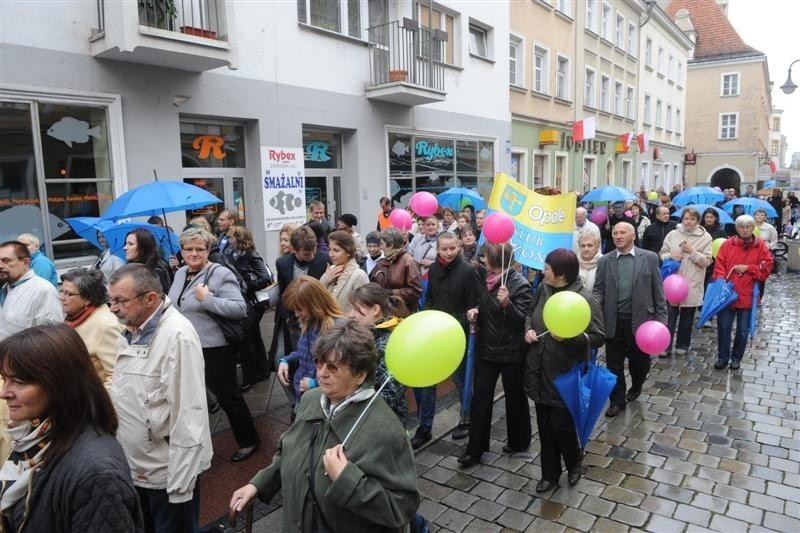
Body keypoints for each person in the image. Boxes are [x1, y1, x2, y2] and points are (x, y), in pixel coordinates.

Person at [229, 321, 419, 532]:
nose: (321, 373)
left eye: (333, 367)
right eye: (319, 363)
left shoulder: (386, 429)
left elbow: (400, 508)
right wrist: (257, 485)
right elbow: (288, 451)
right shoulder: (311, 399)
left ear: (360, 375)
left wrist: (347, 479)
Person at [0, 324, 143, 532]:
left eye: (19, 382)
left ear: (59, 384)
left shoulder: (97, 475)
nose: (4, 393)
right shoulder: (38, 442)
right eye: (5, 379)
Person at [108, 264, 212, 531]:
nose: (112, 308)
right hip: (139, 467)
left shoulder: (177, 336)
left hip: (167, 474)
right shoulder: (132, 327)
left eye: (120, 301)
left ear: (150, 298)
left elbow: (189, 414)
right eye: (111, 300)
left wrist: (180, 485)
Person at [168, 228, 260, 462]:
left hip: (215, 348)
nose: (194, 253)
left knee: (229, 397)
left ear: (208, 250)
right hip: (187, 347)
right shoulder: (179, 274)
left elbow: (239, 308)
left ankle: (249, 440)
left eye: (200, 249)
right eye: (188, 249)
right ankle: (197, 445)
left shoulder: (219, 274)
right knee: (192, 400)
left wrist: (206, 299)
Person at [524, 249, 604, 492]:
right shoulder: (543, 289)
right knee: (545, 427)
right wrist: (527, 329)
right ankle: (549, 474)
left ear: (561, 275)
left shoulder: (585, 300)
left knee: (561, 425)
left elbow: (598, 337)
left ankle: (574, 462)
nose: (543, 272)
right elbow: (530, 313)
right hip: (538, 369)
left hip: (566, 374)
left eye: (547, 268)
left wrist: (570, 338)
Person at [458, 242, 532, 467]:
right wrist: (475, 313)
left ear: (498, 259)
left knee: (515, 398)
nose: (482, 259)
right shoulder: (486, 280)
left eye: (486, 256)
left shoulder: (520, 284)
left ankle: (519, 440)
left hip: (511, 352)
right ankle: (475, 449)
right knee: (481, 399)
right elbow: (485, 307)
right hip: (487, 350)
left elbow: (522, 321)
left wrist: (507, 304)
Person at [593, 223, 666, 417]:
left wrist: (661, 323)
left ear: (633, 236)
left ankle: (637, 384)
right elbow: (599, 288)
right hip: (613, 320)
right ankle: (617, 401)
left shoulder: (649, 258)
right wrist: (594, 304)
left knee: (639, 363)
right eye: (615, 233)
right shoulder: (605, 261)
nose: (618, 236)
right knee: (613, 364)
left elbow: (658, 291)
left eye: (622, 232)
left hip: (642, 322)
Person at [415, 232, 479, 448]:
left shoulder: (469, 271)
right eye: (444, 249)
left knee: (461, 380)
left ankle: (466, 419)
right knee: (428, 381)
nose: (449, 253)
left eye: (452, 248)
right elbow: (430, 298)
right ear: (438, 249)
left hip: (457, 332)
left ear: (458, 246)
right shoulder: (433, 269)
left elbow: (472, 303)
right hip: (436, 332)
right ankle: (425, 427)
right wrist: (431, 320)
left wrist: (452, 325)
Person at [712, 215, 773, 371]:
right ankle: (722, 357)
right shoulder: (727, 245)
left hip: (747, 294)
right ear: (737, 228)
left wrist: (748, 268)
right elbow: (719, 265)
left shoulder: (760, 246)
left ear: (753, 228)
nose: (745, 230)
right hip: (727, 294)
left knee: (742, 330)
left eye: (748, 227)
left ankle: (736, 358)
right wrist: (721, 282)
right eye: (741, 227)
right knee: (724, 327)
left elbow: (766, 268)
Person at [276, 276, 345, 410]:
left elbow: (345, 373)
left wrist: (316, 384)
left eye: (300, 309)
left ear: (314, 304)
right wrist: (286, 360)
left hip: (323, 403)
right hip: (304, 398)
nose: (296, 314)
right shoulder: (310, 322)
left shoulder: (338, 329)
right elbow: (305, 353)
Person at [347, 283, 409, 424]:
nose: (349, 314)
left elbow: (389, 397)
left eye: (356, 309)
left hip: (382, 424)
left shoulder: (386, 345)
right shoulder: (364, 335)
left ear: (375, 309)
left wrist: (349, 398)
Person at [659, 208, 713, 356]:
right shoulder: (673, 234)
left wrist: (692, 251)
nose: (688, 222)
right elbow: (662, 253)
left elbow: (707, 261)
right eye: (686, 218)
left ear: (697, 221)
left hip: (692, 282)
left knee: (687, 316)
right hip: (672, 282)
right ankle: (665, 345)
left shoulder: (706, 237)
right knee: (669, 315)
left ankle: (682, 344)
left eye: (692, 219)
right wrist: (670, 255)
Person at [273, 226, 330, 360]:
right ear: (294, 249)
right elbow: (283, 294)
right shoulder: (282, 264)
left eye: (313, 251)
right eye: (306, 254)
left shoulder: (324, 259)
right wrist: (289, 319)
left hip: (318, 321)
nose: (311, 257)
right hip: (295, 322)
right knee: (295, 358)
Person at [60, 268, 124, 388]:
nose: (62, 298)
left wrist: (96, 405)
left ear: (88, 299)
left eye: (69, 294)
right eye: (62, 292)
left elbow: (116, 378)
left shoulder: (106, 326)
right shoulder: (75, 316)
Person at [229, 225, 273, 389]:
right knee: (254, 336)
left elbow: (265, 278)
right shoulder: (233, 255)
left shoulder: (251, 255)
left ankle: (251, 377)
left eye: (232, 237)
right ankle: (262, 370)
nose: (229, 240)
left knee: (247, 338)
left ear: (240, 239)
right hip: (247, 301)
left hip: (254, 302)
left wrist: (245, 285)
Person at [0, 240, 63, 340]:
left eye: (6, 261)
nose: (0, 265)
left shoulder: (42, 290)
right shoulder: (5, 288)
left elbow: (51, 338)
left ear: (25, 262)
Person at [370, 228, 423, 312]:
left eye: (382, 244)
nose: (380, 248)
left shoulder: (409, 262)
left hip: (404, 313)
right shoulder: (382, 262)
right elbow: (373, 283)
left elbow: (415, 291)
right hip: (385, 311)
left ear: (390, 245)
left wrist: (391, 293)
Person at [320, 230, 369, 312]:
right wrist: (325, 279)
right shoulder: (331, 269)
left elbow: (365, 309)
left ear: (348, 252)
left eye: (336, 250)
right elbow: (315, 298)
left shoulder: (359, 275)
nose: (331, 254)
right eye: (330, 249)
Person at [124, 228, 172, 293]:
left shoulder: (156, 272)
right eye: (125, 243)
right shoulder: (128, 268)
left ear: (143, 247)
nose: (125, 247)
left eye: (131, 244)